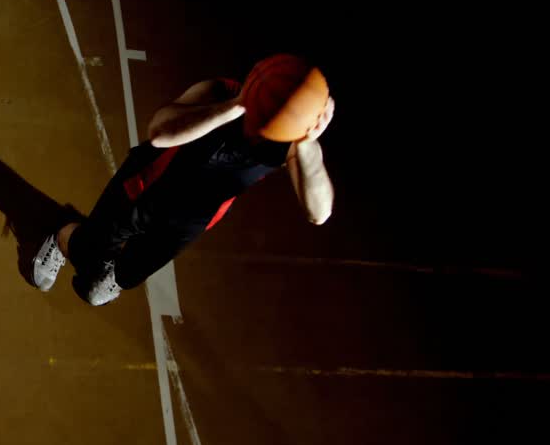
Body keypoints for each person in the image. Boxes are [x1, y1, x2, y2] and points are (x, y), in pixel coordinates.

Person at [30, 69, 335, 306]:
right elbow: (161, 133)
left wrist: (306, 138)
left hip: (190, 221)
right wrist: (238, 107)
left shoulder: (290, 144)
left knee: (128, 274)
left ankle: (110, 270)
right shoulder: (220, 92)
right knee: (89, 250)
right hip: (146, 188)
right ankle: (63, 237)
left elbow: (319, 213)